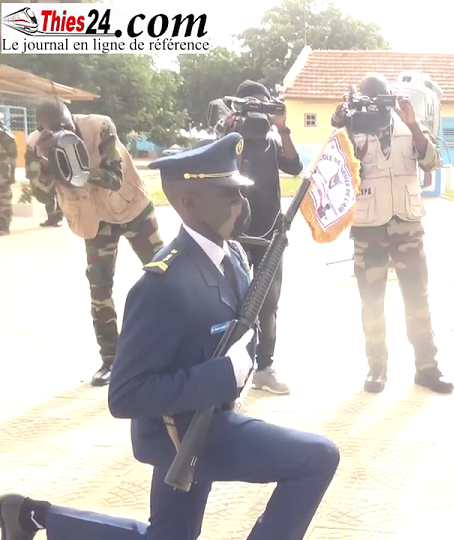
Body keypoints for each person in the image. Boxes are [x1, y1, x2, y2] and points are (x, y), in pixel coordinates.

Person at [0, 133, 340, 540]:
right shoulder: (162, 285)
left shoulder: (230, 256)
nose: (241, 204)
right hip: (177, 433)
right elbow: (126, 395)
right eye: (229, 194)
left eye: (240, 193)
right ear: (189, 202)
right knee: (316, 458)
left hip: (203, 418)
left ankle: (29, 516)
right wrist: (221, 375)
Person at [334, 73, 453, 395]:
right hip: (368, 226)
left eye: (381, 97)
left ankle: (427, 368)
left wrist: (413, 124)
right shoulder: (353, 128)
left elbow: (432, 162)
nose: (376, 104)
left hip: (407, 225)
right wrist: (345, 124)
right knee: (371, 301)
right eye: (369, 98)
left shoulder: (409, 125)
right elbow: (338, 170)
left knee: (418, 299)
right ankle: (377, 368)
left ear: (391, 97)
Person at [29, 100, 163, 386]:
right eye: (58, 130)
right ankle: (111, 360)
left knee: (166, 273)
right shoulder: (36, 143)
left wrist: (78, 169)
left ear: (72, 118)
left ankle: (174, 343)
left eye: (68, 127)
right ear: (43, 128)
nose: (66, 132)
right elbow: (41, 196)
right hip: (95, 220)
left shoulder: (100, 126)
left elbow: (115, 179)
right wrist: (46, 160)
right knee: (99, 289)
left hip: (132, 209)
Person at [225, 79, 304, 395]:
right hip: (235, 233)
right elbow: (218, 168)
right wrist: (229, 133)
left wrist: (283, 128)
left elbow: (295, 166)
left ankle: (265, 366)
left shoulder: (273, 142)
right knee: (230, 302)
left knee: (269, 303)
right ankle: (228, 366)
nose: (259, 116)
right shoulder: (230, 139)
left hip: (271, 232)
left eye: (264, 106)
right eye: (253, 107)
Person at [0, 112, 14, 236]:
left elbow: (13, 157)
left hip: (2, 175)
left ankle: (4, 225)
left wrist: (12, 175)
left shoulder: (5, 136)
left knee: (4, 200)